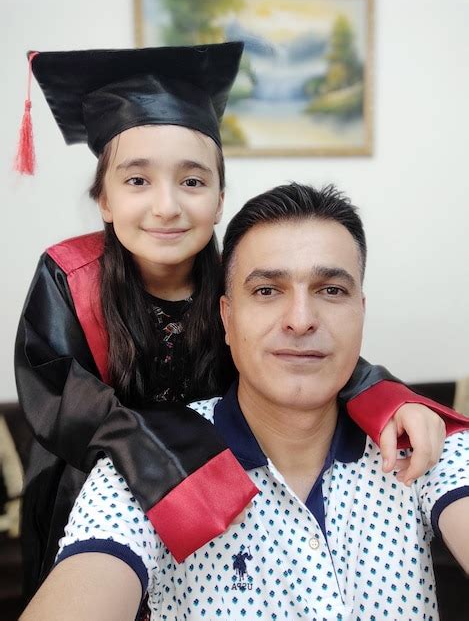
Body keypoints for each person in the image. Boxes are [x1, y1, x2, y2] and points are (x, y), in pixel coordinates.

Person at [15, 44, 468, 604]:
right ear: (102, 199)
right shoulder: (72, 275)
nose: (166, 207)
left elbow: (302, 350)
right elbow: (60, 395)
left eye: (193, 182)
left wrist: (387, 399)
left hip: (233, 480)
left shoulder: (237, 280)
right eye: (137, 182)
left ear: (220, 198)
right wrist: (159, 456)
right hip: (101, 473)